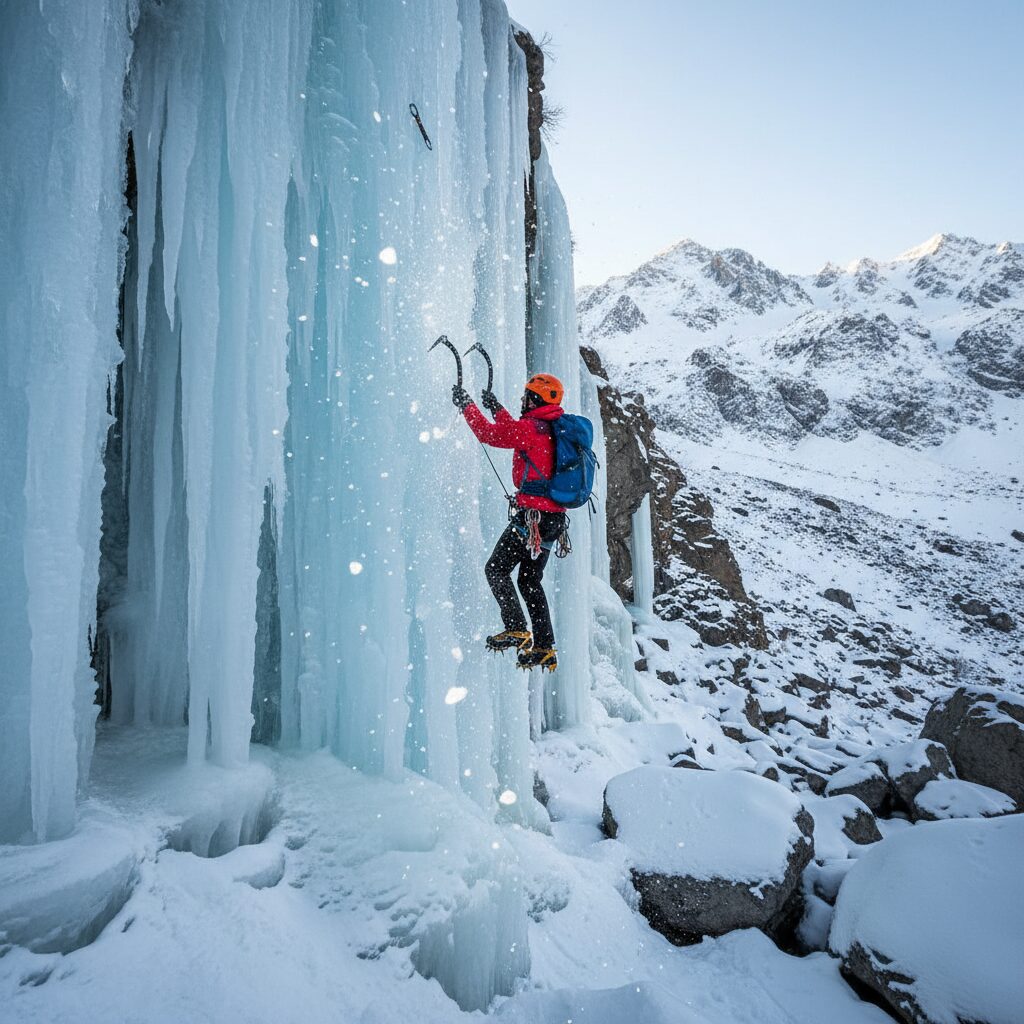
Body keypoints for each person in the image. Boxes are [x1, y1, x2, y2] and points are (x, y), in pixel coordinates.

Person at [452, 372, 568, 672]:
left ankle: (516, 627)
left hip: (533, 520)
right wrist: (496, 408)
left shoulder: (532, 429)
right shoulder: (552, 427)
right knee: (530, 581)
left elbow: (491, 435)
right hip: (553, 520)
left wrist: (468, 406)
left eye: (526, 395)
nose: (522, 400)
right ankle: (544, 647)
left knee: (496, 568)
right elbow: (514, 431)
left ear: (536, 398)